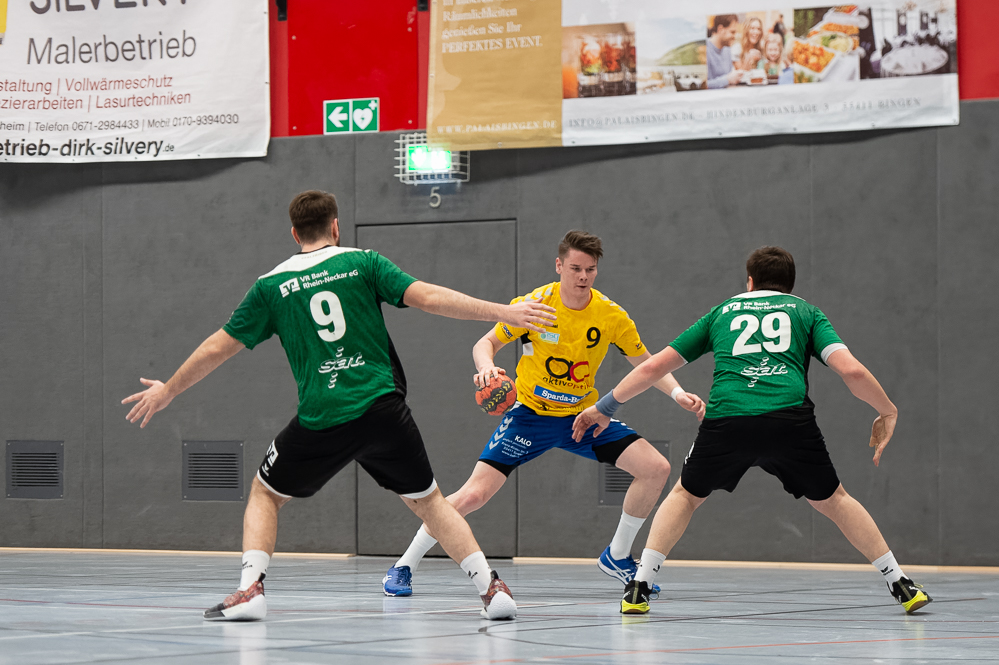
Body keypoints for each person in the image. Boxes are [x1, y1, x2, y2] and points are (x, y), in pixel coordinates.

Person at [122, 190, 558, 622]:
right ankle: (491, 588)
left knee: (265, 493)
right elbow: (428, 297)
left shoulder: (270, 286)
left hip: (323, 418)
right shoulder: (363, 262)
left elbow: (218, 347)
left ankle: (250, 589)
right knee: (432, 503)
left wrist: (169, 390)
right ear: (335, 226)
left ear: (294, 233)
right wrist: (505, 312)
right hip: (384, 411)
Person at [572, 246, 932, 615]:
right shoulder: (806, 313)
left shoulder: (722, 312)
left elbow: (651, 368)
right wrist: (886, 410)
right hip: (789, 423)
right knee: (836, 500)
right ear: (790, 285)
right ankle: (900, 582)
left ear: (749, 282)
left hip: (727, 421)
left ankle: (639, 587)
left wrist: (605, 407)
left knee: (685, 496)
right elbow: (852, 371)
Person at [384, 231, 705, 596]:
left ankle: (617, 555)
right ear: (559, 266)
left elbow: (646, 364)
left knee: (655, 468)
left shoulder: (610, 315)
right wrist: (487, 367)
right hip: (530, 418)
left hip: (582, 419)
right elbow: (485, 343)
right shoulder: (535, 305)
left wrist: (677, 392)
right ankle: (403, 565)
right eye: (575, 268)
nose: (583, 276)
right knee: (473, 495)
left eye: (590, 269)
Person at [707, 14, 744, 89]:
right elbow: (704, 85)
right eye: (732, 32)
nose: (734, 37)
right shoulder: (704, 50)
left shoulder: (727, 49)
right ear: (720, 29)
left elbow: (729, 76)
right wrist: (727, 80)